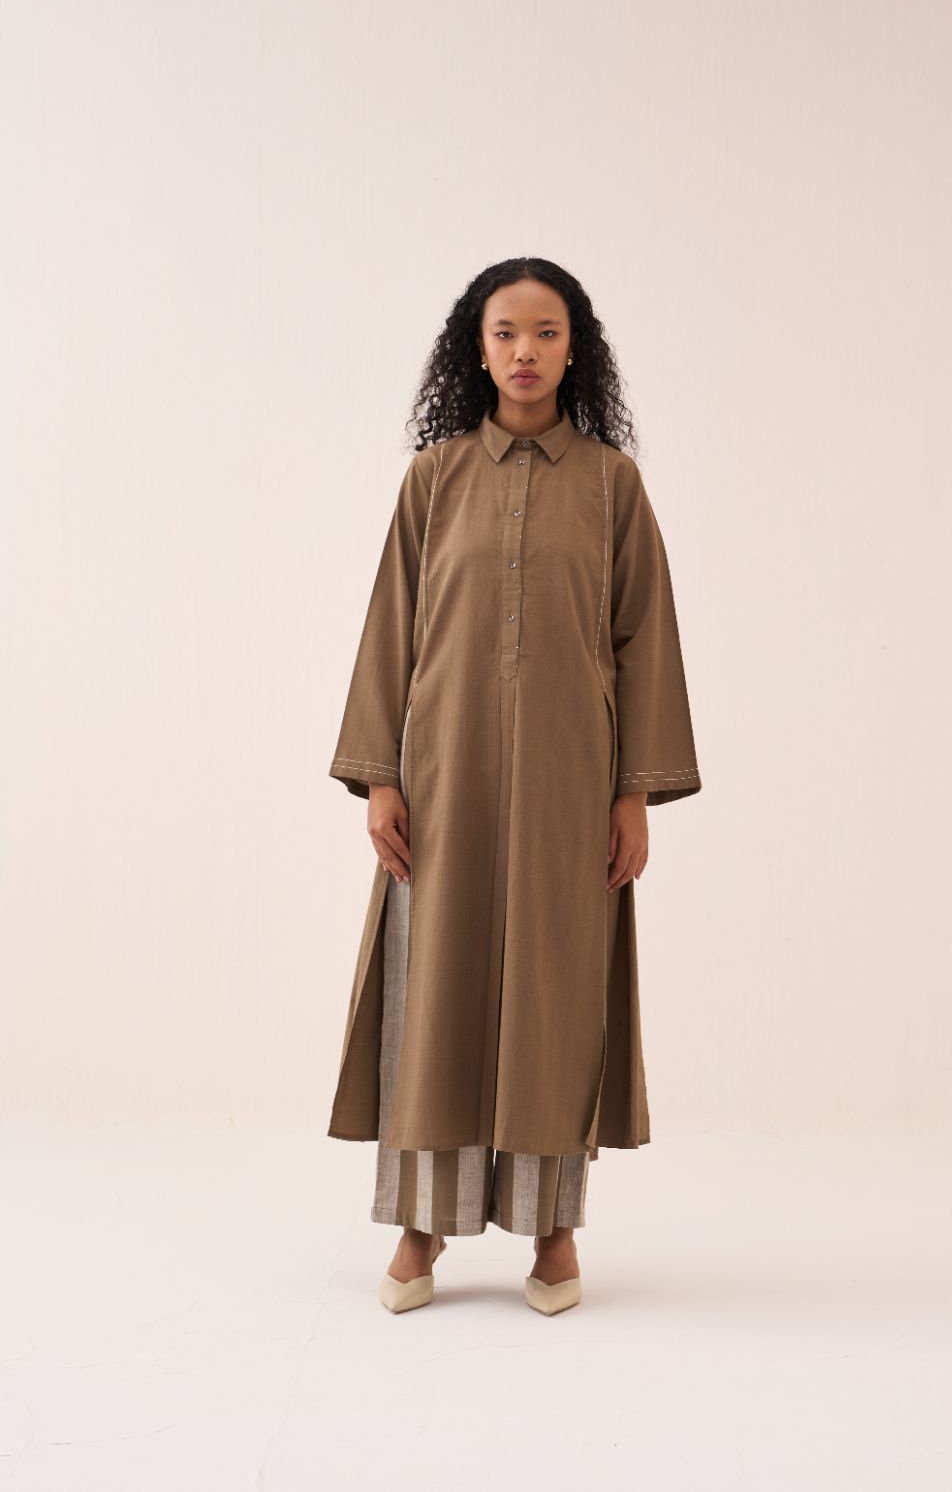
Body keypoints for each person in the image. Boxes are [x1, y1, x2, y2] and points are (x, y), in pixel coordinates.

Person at [326, 256, 702, 1315]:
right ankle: (420, 1229)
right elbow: (391, 630)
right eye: (505, 333)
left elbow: (644, 642)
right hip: (442, 781)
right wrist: (380, 779)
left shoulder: (613, 486)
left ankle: (553, 1231)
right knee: (434, 988)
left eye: (545, 332)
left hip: (568, 786)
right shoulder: (434, 478)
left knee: (554, 994)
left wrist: (633, 793)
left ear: (575, 349)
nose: (525, 351)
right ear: (477, 349)